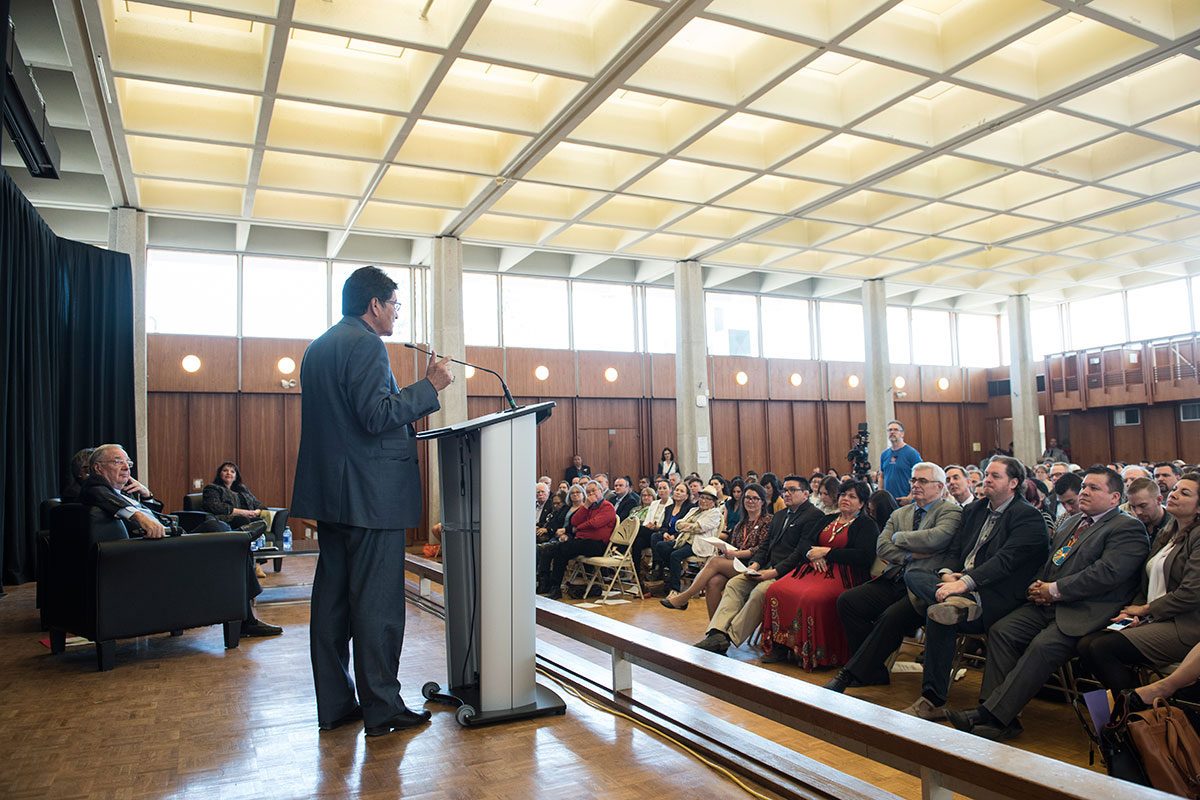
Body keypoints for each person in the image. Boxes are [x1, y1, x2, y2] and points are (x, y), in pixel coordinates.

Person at [292, 265, 453, 737]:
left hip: (335, 496)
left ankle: (338, 704)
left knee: (333, 604)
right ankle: (383, 707)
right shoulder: (366, 344)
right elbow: (375, 415)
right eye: (395, 305)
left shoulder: (319, 347)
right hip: (370, 496)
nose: (397, 314)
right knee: (378, 605)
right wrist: (430, 388)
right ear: (375, 305)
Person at [945, 466, 1148, 741]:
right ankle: (1000, 716)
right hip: (1047, 603)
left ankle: (990, 715)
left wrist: (1054, 589)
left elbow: (1106, 574)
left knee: (1043, 646)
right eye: (1085, 486)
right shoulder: (1073, 522)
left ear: (1114, 498)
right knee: (1002, 631)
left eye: (1094, 488)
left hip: (1086, 610)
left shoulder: (1127, 527)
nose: (1085, 491)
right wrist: (1038, 584)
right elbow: (1050, 560)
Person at [895, 456, 1049, 720]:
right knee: (916, 576)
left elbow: (1004, 563)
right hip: (958, 584)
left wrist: (964, 583)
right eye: (986, 474)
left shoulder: (1028, 517)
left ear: (1013, 483)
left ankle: (932, 700)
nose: (986, 479)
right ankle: (958, 603)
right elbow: (956, 550)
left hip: (997, 595)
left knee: (938, 614)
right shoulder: (976, 510)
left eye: (995, 476)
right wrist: (947, 575)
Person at [79, 444, 281, 638]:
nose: (126, 468)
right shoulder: (95, 486)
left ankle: (241, 540)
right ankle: (242, 538)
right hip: (156, 551)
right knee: (220, 531)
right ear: (98, 467)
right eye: (118, 462)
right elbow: (98, 494)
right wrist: (137, 516)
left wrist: (146, 495)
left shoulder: (121, 493)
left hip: (170, 543)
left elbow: (156, 515)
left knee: (222, 534)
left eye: (128, 463)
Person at [826, 464, 962, 693]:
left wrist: (898, 537)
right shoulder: (901, 513)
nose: (915, 485)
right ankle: (873, 671)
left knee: (890, 617)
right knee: (848, 601)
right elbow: (882, 547)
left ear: (939, 487)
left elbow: (936, 539)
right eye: (913, 480)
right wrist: (911, 554)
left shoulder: (950, 511)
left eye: (922, 481)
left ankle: (849, 675)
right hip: (894, 578)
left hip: (924, 586)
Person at [1077, 472, 1200, 695]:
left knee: (1101, 648)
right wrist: (1134, 613)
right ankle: (1134, 712)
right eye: (1174, 490)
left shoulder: (1198, 536)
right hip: (1156, 617)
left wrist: (1145, 609)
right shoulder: (1169, 532)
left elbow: (1192, 592)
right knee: (1086, 644)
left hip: (1184, 624)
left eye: (1185, 493)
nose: (1174, 494)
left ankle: (1137, 712)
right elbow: (1146, 582)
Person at [693, 476, 824, 656]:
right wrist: (754, 566)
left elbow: (800, 553)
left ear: (805, 494)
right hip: (766, 567)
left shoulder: (814, 515)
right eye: (785, 490)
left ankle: (729, 637)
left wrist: (772, 572)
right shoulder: (780, 515)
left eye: (792, 490)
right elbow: (765, 548)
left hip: (791, 572)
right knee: (735, 584)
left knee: (760, 592)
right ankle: (716, 632)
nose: (787, 493)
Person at [761, 480, 878, 669]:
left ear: (862, 503)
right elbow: (805, 541)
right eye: (842, 495)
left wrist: (827, 552)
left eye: (852, 496)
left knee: (812, 599)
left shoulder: (867, 525)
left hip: (845, 573)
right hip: (813, 569)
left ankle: (817, 655)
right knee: (776, 589)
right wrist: (811, 554)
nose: (845, 499)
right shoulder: (827, 519)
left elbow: (863, 556)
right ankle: (782, 646)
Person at [662, 482, 773, 616]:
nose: (750, 501)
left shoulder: (768, 521)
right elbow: (679, 525)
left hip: (754, 565)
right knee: (713, 582)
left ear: (762, 502)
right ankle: (715, 629)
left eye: (755, 498)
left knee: (715, 561)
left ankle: (685, 597)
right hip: (736, 561)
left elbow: (761, 549)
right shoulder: (740, 523)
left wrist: (735, 553)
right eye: (747, 498)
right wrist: (728, 551)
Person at [545, 480, 616, 600]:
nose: (591, 494)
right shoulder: (589, 507)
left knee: (562, 548)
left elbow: (595, 524)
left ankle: (555, 587)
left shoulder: (607, 507)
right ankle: (553, 586)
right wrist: (586, 506)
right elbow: (574, 521)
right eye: (588, 492)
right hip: (583, 541)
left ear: (601, 491)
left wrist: (577, 528)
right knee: (558, 549)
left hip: (598, 545)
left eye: (594, 491)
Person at [203, 461, 269, 529]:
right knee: (243, 520)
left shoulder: (243, 489)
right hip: (228, 520)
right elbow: (215, 507)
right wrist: (243, 512)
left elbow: (260, 505)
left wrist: (256, 512)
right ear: (219, 474)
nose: (228, 473)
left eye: (232, 471)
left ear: (235, 477)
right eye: (225, 470)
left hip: (250, 517)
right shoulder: (212, 488)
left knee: (269, 519)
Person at [880, 420, 921, 503]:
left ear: (902, 434)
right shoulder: (884, 454)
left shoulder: (912, 453)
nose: (892, 432)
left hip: (905, 500)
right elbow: (882, 476)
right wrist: (880, 493)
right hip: (888, 501)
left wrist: (910, 497)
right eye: (890, 430)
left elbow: (920, 477)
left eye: (895, 430)